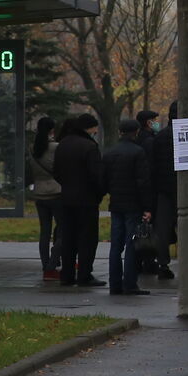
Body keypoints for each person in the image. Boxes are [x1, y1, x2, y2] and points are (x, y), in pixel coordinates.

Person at [52, 113, 105, 286]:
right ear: (89, 128)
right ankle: (84, 274)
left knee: (68, 238)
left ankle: (66, 275)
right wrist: (99, 194)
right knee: (87, 239)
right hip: (87, 200)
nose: (96, 131)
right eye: (95, 128)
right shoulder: (90, 147)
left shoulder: (63, 144)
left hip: (66, 198)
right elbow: (97, 176)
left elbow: (56, 171)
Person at [102, 117, 153, 295]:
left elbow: (104, 180)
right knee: (132, 244)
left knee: (116, 245)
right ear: (136, 132)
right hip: (133, 204)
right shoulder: (138, 152)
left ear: (119, 132)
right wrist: (147, 207)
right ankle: (130, 283)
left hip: (116, 203)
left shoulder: (109, 153)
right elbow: (143, 182)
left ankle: (114, 283)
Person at [146, 101, 179, 281]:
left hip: (163, 189)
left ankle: (163, 264)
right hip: (183, 189)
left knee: (163, 229)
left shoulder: (160, 137)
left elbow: (153, 166)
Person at [29, 117, 64, 281]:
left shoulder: (33, 148)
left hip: (39, 193)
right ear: (52, 130)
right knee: (63, 229)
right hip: (56, 192)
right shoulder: (56, 148)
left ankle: (45, 267)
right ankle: (52, 262)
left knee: (44, 231)